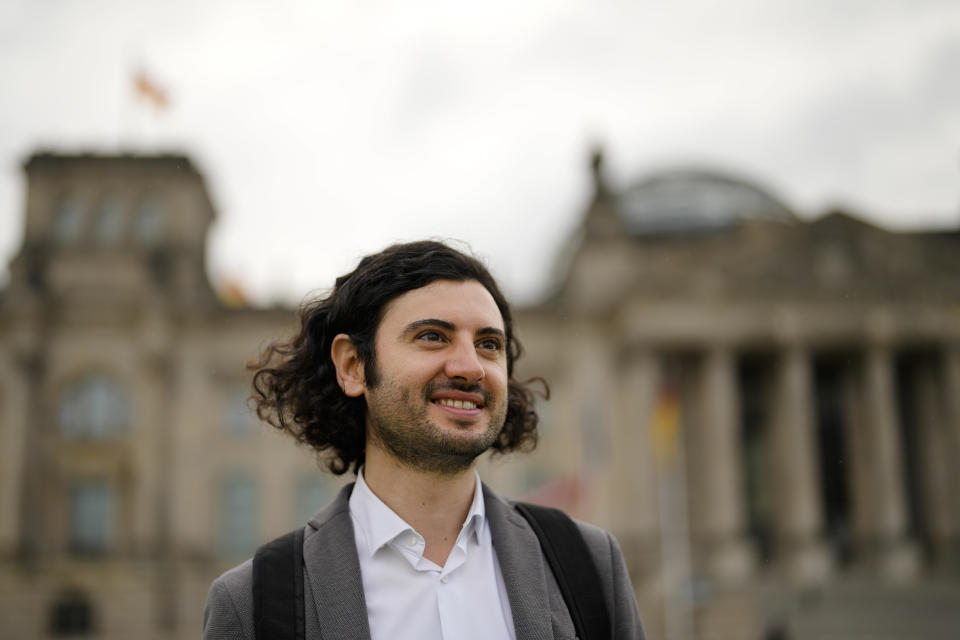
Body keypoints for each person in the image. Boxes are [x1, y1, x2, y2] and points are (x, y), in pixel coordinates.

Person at [203, 240, 645, 640]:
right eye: (433, 336)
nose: (470, 367)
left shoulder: (588, 564)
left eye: (489, 344)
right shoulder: (253, 604)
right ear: (354, 366)